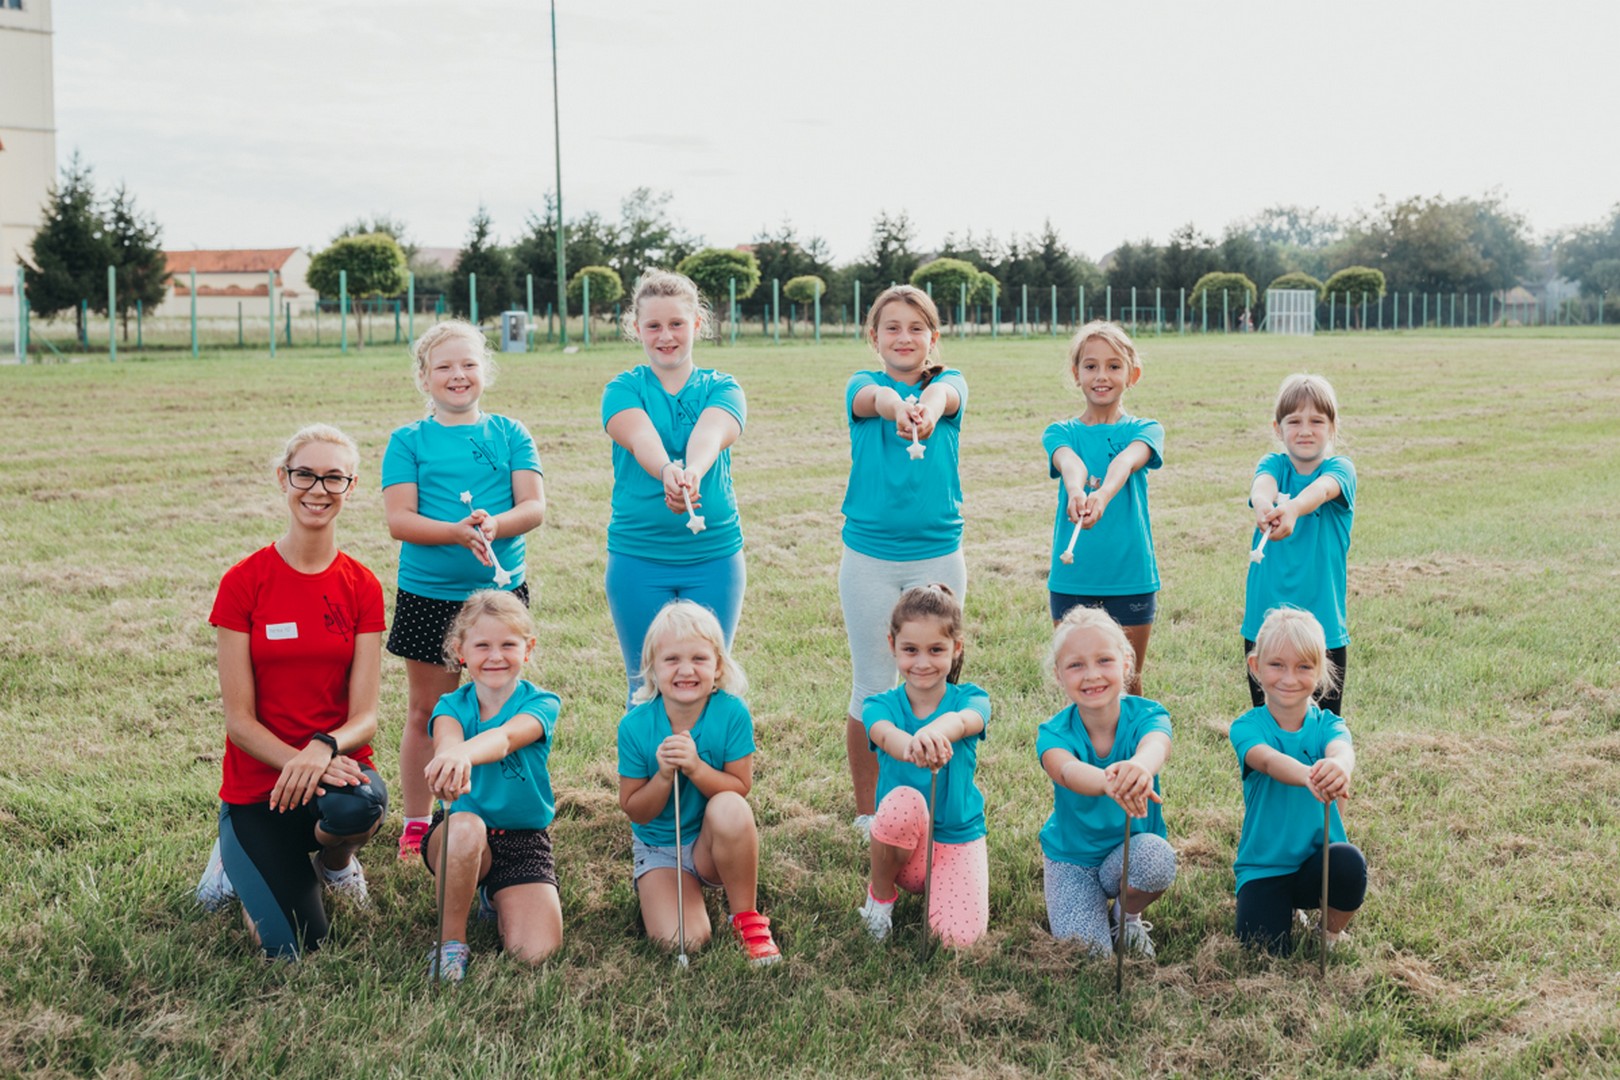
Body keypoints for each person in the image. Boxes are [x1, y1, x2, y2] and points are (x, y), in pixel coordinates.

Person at [195, 424, 387, 959]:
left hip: (337, 774)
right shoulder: (243, 581)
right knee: (293, 947)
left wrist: (323, 749)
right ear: (284, 478)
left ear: (351, 487)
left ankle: (336, 863)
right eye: (305, 474)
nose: (318, 490)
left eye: (334, 478)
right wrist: (298, 763)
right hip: (262, 789)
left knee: (361, 807)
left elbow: (365, 716)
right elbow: (239, 721)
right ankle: (234, 852)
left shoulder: (362, 585)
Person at [383, 320, 546, 861]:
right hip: (429, 595)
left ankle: (495, 818)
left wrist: (496, 524)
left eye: (469, 364)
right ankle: (416, 822)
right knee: (426, 708)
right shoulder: (408, 441)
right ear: (424, 379)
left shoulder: (510, 433)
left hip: (498, 601)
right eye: (445, 367)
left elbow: (534, 508)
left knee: (497, 710)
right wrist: (455, 533)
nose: (458, 376)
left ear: (486, 371)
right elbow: (400, 520)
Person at [840, 286, 969, 839]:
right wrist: (900, 408)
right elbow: (878, 403)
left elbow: (943, 401)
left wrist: (927, 408)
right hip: (869, 556)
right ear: (874, 338)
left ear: (932, 338)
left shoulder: (950, 384)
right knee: (872, 685)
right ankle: (869, 809)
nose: (904, 337)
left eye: (916, 328)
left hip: (938, 553)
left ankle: (941, 799)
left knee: (937, 676)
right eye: (891, 328)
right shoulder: (861, 387)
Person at [603, 271, 747, 704]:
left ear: (697, 325)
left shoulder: (723, 387)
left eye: (676, 324)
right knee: (646, 687)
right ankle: (648, 773)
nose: (666, 336)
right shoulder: (623, 388)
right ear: (636, 329)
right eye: (653, 326)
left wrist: (692, 472)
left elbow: (711, 433)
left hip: (714, 557)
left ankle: (706, 772)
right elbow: (641, 436)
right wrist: (668, 469)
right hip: (637, 557)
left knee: (709, 683)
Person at [616, 600, 781, 965]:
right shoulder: (635, 725)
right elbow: (634, 809)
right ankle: (658, 888)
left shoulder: (732, 712)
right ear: (652, 669)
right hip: (660, 848)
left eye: (699, 659)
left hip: (710, 841)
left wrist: (694, 768)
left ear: (718, 666)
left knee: (729, 805)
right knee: (687, 941)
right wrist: (662, 776)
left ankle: (746, 917)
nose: (686, 670)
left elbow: (739, 787)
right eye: (671, 659)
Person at [421, 590, 564, 981]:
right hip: (459, 836)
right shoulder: (451, 706)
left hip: (523, 838)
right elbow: (447, 742)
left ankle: (493, 895)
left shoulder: (542, 703)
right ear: (460, 650)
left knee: (536, 953)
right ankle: (450, 942)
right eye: (482, 645)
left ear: (528, 648)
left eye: (508, 644)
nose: (496, 656)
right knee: (468, 827)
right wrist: (450, 759)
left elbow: (504, 739)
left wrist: (463, 756)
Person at [1036, 606, 1176, 957]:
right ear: (1059, 675)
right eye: (1076, 665)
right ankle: (1084, 904)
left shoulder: (1149, 714)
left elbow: (1157, 744)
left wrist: (1140, 767)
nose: (1091, 675)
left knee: (1158, 861)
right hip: (1074, 860)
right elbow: (1066, 771)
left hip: (1130, 850)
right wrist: (1108, 781)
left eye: (1104, 660)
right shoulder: (1053, 733)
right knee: (1090, 955)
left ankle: (1126, 916)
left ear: (1127, 663)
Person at [857, 585, 990, 948]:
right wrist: (914, 744)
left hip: (955, 837)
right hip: (902, 845)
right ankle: (880, 899)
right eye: (910, 650)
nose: (922, 662)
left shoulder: (972, 698)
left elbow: (965, 722)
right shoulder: (879, 704)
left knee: (957, 940)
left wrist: (934, 732)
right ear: (892, 646)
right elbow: (885, 736)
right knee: (902, 801)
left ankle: (946, 891)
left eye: (936, 650)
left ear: (956, 648)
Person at [1231, 607, 1366, 952]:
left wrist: (1339, 766)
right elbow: (1268, 760)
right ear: (1255, 667)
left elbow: (1343, 750)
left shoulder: (1328, 726)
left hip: (1318, 864)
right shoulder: (1248, 727)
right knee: (1263, 949)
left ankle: (1330, 933)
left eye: (1303, 666)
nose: (1289, 678)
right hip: (1265, 867)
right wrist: (1308, 774)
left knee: (1350, 864)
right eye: (1276, 665)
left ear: (1320, 670)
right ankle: (1282, 909)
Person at [1043, 320, 1163, 696]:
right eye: (1091, 366)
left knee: (1128, 682)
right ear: (1076, 374)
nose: (1102, 375)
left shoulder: (1145, 428)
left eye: (1114, 366)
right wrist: (1077, 490)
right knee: (1080, 686)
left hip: (1131, 576)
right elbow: (1070, 464)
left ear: (1133, 375)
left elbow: (1124, 463)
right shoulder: (1060, 431)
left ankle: (1135, 756)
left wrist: (1102, 496)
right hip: (1073, 580)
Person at [1243, 373, 1355, 715]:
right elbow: (1261, 487)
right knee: (1267, 724)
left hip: (1322, 627)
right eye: (1294, 421)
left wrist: (1292, 508)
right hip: (1264, 624)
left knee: (1322, 727)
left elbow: (1321, 491)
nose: (1305, 430)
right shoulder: (1273, 465)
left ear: (1332, 427)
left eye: (1316, 421)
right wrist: (1265, 505)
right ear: (1277, 428)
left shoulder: (1341, 469)